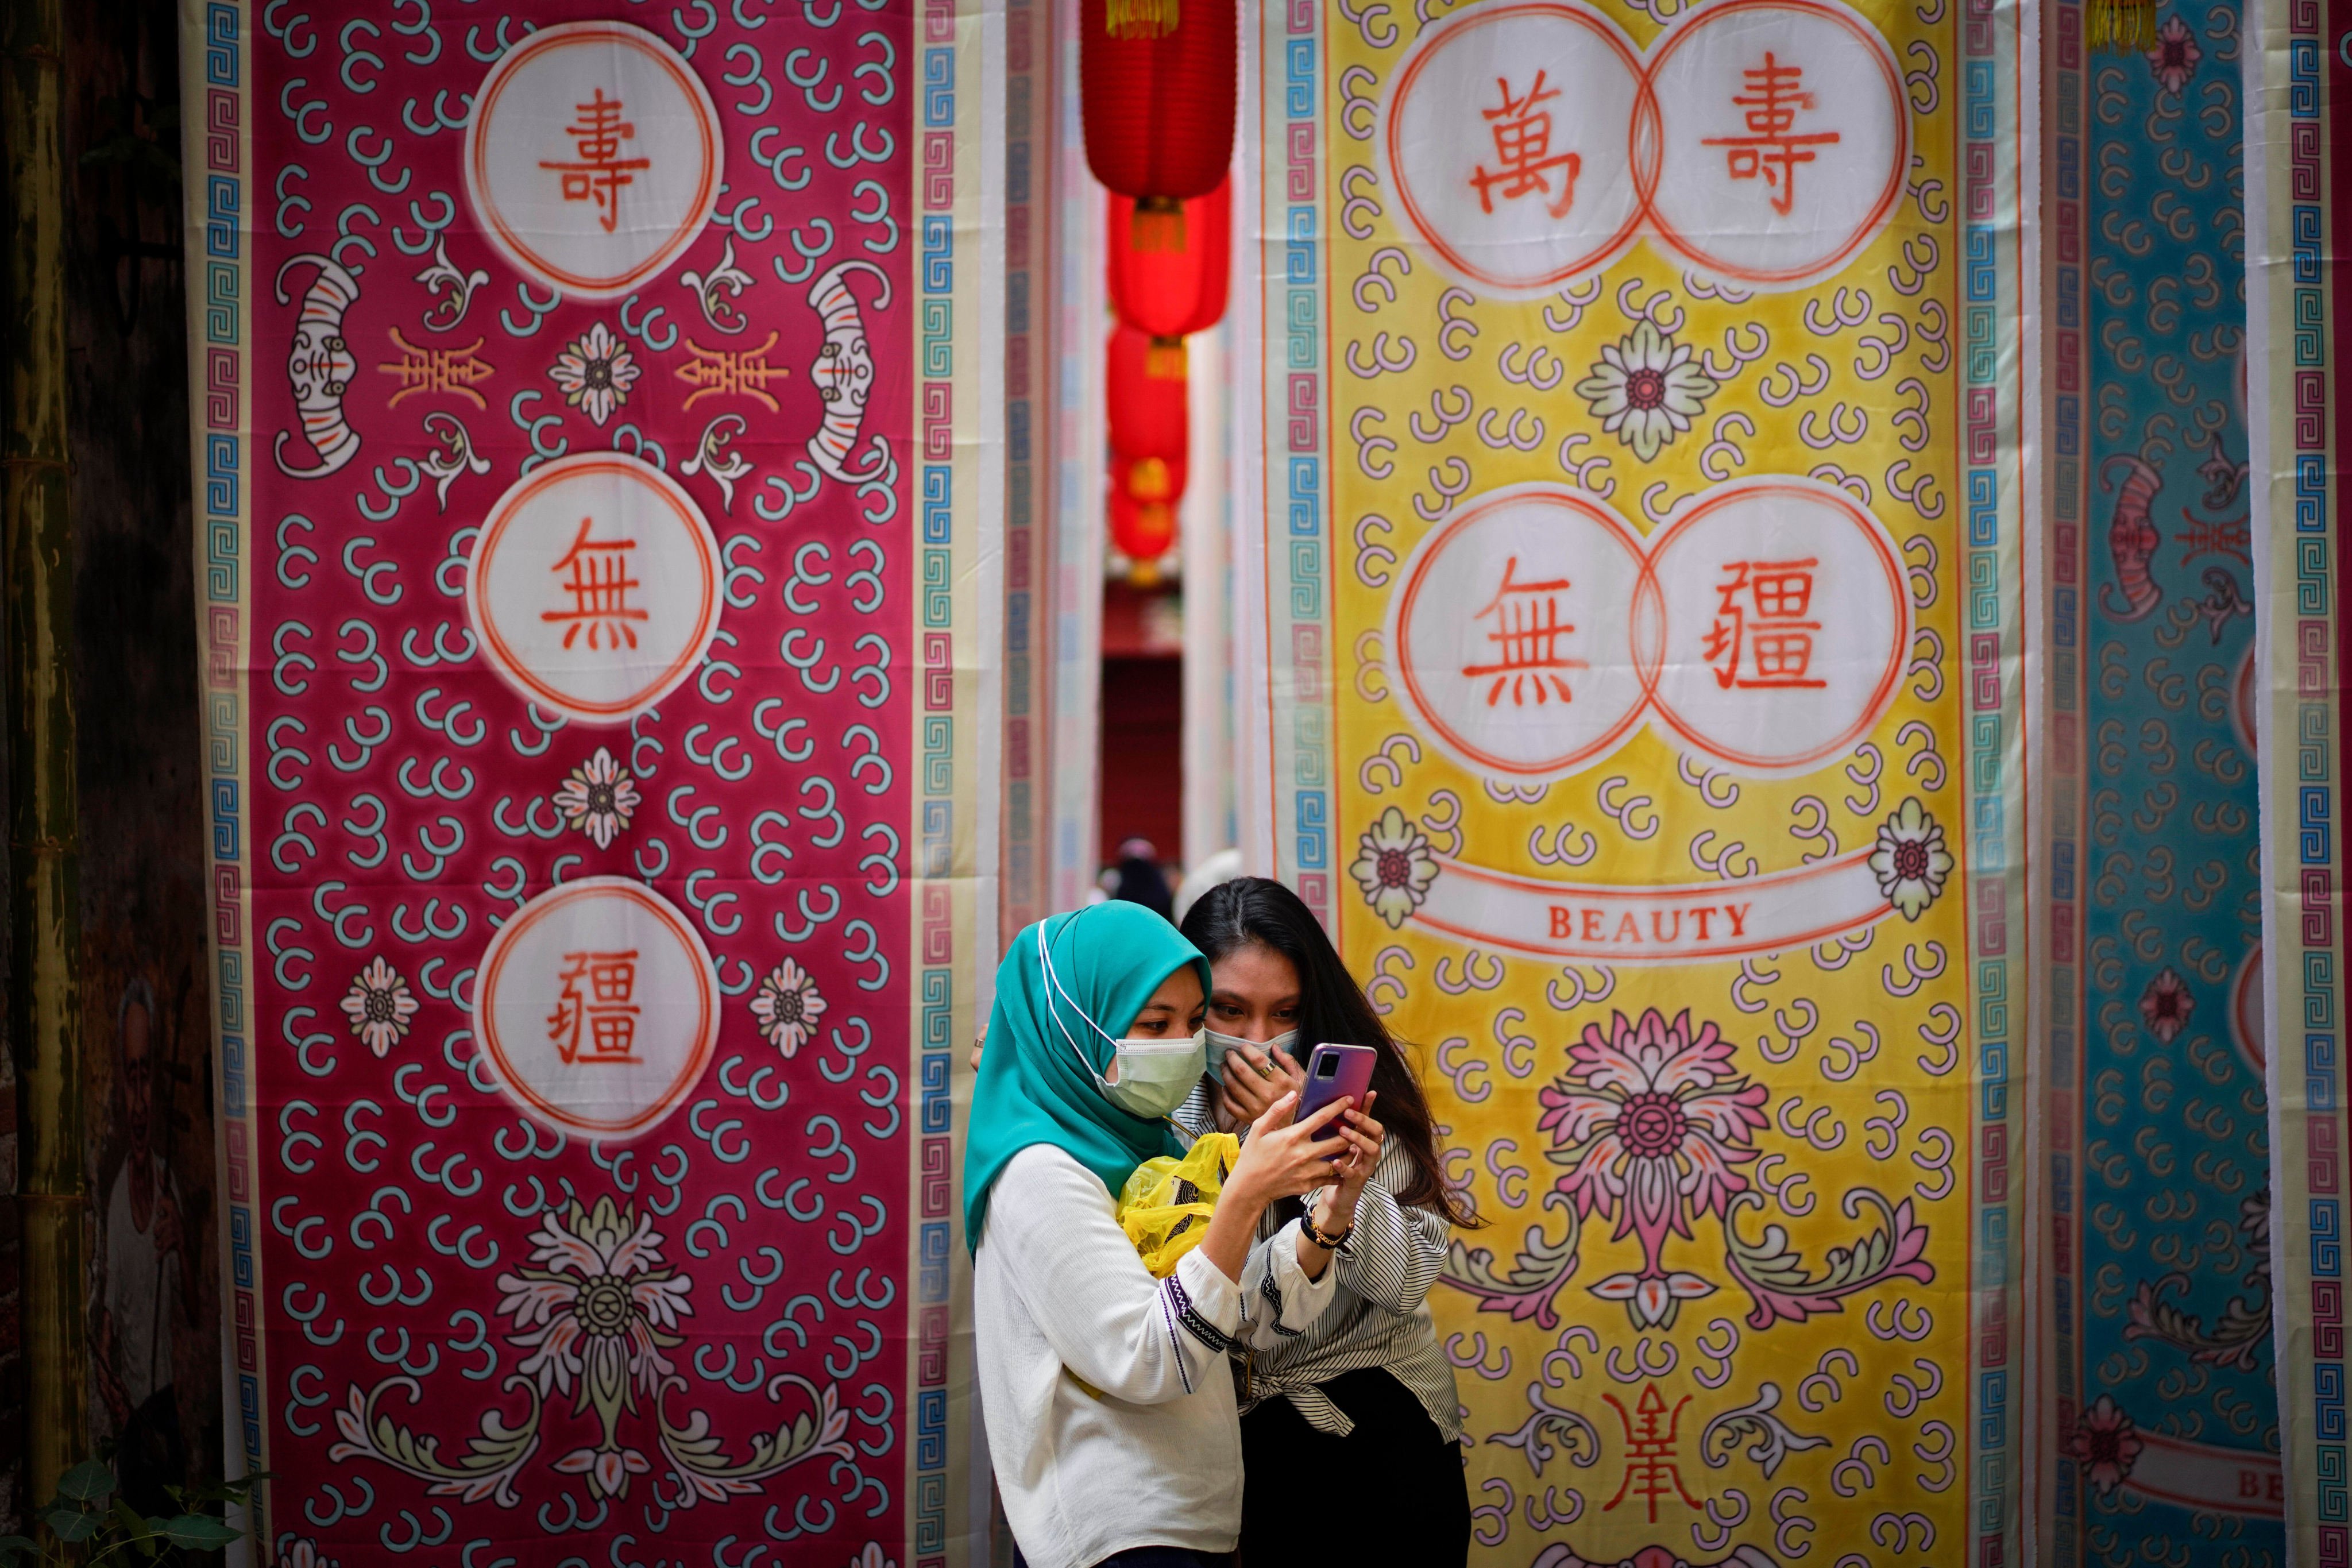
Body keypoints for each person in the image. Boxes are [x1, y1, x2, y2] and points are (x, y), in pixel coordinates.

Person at [966, 901, 1388, 1568]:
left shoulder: (1150, 1143)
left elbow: (1235, 1317)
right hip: (1118, 1528)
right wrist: (1245, 1195)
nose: (1185, 1046)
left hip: (1189, 1516)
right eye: (1155, 1024)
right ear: (1077, 1025)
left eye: (1193, 1023)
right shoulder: (1041, 1173)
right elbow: (1151, 1359)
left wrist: (1331, 1214)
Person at [1178, 877, 1478, 1565]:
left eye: (1285, 1012)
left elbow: (1403, 1281)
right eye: (1230, 1011)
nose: (1258, 1041)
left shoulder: (1357, 1100)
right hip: (1224, 1437)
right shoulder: (1167, 1106)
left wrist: (1320, 1143)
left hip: (1374, 1424)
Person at [96, 977, 190, 1511]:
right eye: (130, 1078)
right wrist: (107, 1376)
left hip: (164, 1410)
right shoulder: (115, 1200)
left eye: (147, 1076)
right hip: (134, 1422)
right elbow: (108, 1316)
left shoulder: (167, 1183)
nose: (139, 1102)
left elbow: (193, 1308)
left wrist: (183, 1245)